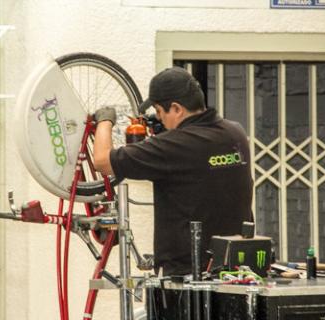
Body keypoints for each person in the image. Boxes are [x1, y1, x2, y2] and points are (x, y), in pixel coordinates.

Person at [93, 67, 253, 276]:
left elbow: (102, 160)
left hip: (187, 278)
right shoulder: (235, 133)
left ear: (176, 109)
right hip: (237, 272)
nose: (159, 118)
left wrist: (104, 121)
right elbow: (200, 167)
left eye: (160, 112)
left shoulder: (173, 147)